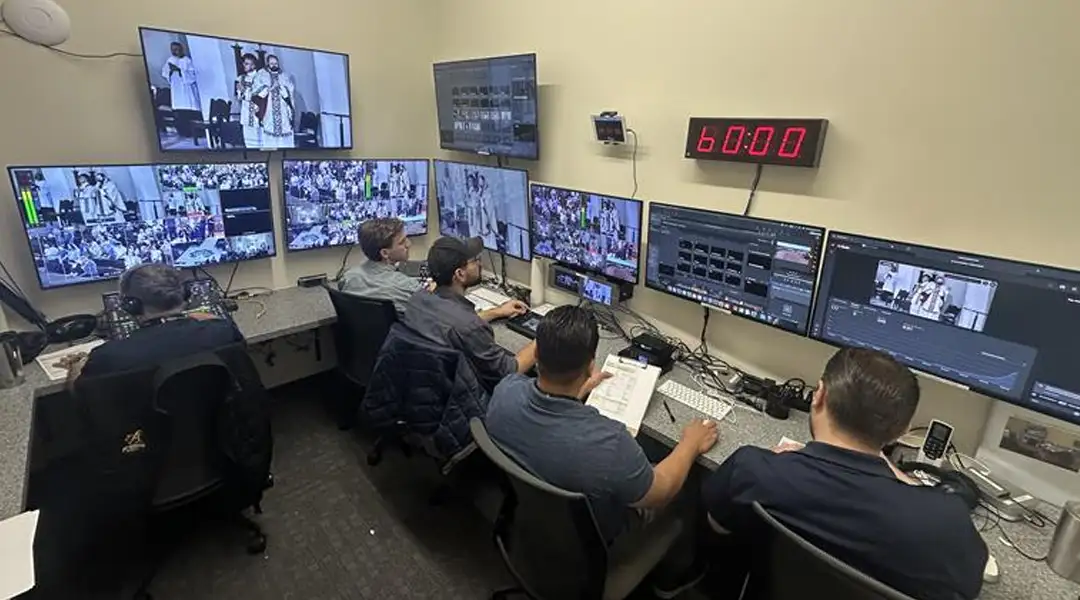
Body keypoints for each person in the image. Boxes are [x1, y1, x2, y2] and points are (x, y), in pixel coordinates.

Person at [702, 347, 987, 600]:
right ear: (901, 432)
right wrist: (901, 477)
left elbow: (718, 526)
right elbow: (965, 589)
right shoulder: (948, 524)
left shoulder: (752, 468)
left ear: (818, 395)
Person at [486, 305, 718, 599]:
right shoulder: (610, 442)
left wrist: (578, 390)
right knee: (689, 483)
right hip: (593, 554)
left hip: (528, 528)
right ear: (590, 366)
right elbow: (662, 490)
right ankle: (671, 581)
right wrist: (690, 444)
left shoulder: (504, 392)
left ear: (537, 354)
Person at [401, 236, 536, 392]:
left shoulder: (417, 300)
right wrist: (545, 337)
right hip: (469, 401)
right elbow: (508, 371)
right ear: (459, 274)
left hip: (428, 391)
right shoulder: (470, 326)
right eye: (475, 260)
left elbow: (452, 322)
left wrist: (497, 312)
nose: (480, 264)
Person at [72, 264, 243, 380]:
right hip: (223, 420)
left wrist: (76, 367)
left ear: (130, 305)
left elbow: (81, 394)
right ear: (185, 295)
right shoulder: (223, 330)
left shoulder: (107, 356)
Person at [339, 218, 426, 315]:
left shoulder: (348, 278)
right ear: (385, 253)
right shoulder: (408, 286)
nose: (409, 244)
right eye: (402, 242)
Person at [256, 54, 295, 148]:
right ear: (267, 64)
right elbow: (257, 93)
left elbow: (290, 90)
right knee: (270, 135)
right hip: (269, 110)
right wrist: (270, 88)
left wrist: (283, 89)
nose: (274, 65)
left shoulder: (284, 76)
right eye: (272, 63)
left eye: (276, 63)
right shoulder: (262, 75)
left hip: (283, 109)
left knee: (285, 134)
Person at [161, 42, 201, 113]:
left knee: (188, 105)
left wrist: (179, 70)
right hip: (176, 88)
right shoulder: (170, 60)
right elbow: (164, 72)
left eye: (176, 49)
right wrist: (170, 71)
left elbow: (192, 75)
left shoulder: (187, 60)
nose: (174, 52)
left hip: (186, 88)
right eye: (172, 50)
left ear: (181, 49)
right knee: (178, 106)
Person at [235, 53, 264, 148]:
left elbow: (261, 95)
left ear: (254, 65)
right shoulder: (241, 78)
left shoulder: (260, 78)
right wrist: (240, 92)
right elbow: (239, 98)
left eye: (247, 63)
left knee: (260, 141)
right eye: (244, 63)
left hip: (257, 112)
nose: (244, 65)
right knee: (248, 142)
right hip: (246, 113)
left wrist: (245, 91)